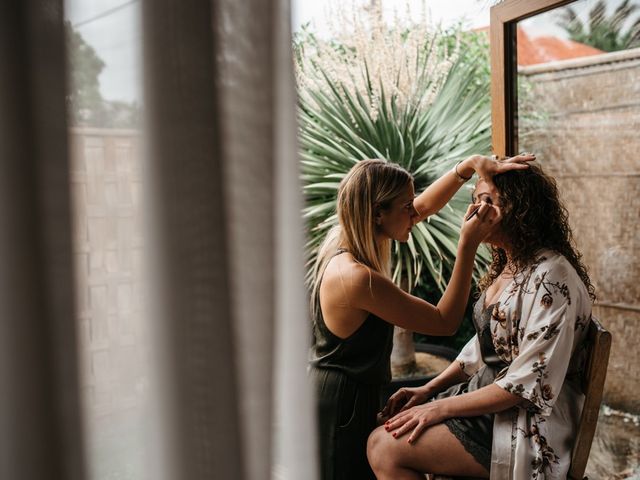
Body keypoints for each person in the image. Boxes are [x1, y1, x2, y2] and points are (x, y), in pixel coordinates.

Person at [309, 153, 535, 480]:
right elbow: (444, 322)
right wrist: (467, 247)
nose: (415, 213)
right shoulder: (356, 278)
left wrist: (469, 166)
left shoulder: (345, 240)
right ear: (377, 214)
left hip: (349, 394)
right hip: (343, 404)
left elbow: (422, 207)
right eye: (406, 207)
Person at [368, 163, 595, 480]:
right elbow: (484, 347)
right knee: (387, 426)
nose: (476, 210)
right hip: (486, 401)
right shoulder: (511, 265)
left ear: (520, 209)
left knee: (383, 447)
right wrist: (428, 389)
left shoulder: (550, 278)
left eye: (488, 200)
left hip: (523, 420)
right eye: (475, 199)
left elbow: (526, 385)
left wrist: (438, 407)